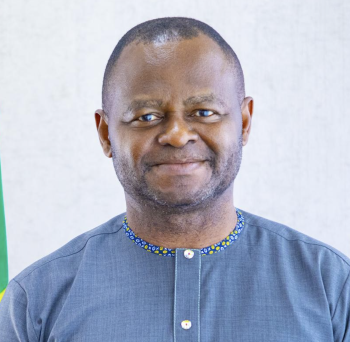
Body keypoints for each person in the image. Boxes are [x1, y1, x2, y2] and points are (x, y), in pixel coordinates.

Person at [0, 17, 349, 342]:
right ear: (106, 134)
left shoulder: (330, 284)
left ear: (244, 122)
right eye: (147, 116)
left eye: (204, 112)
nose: (178, 135)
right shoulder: (36, 302)